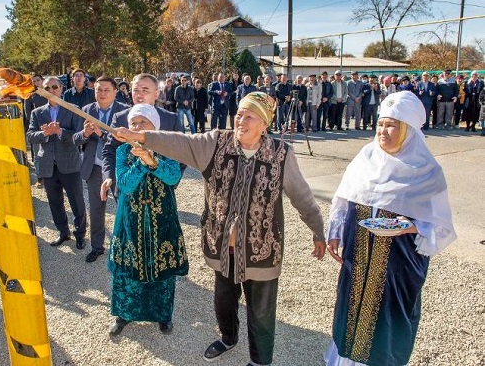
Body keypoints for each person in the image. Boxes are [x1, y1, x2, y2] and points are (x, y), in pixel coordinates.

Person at [113, 92, 325, 366]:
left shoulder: (281, 154)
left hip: (262, 250)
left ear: (264, 124)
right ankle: (228, 338)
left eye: (249, 116)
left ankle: (260, 361)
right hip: (222, 245)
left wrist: (318, 230)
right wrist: (142, 137)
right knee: (223, 302)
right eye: (239, 114)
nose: (241, 120)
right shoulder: (215, 142)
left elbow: (302, 197)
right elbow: (180, 142)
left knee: (261, 312)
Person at [325, 90, 457, 366]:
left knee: (387, 319)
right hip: (358, 258)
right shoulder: (366, 158)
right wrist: (335, 232)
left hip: (398, 264)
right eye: (381, 124)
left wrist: (412, 226)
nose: (383, 131)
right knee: (350, 310)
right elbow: (343, 198)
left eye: (392, 125)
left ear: (408, 130)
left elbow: (440, 225)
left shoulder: (427, 171)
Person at [107, 103, 188, 337]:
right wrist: (142, 163)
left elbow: (173, 178)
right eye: (133, 122)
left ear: (154, 127)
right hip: (129, 220)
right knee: (127, 269)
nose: (137, 126)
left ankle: (163, 315)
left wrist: (152, 160)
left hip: (162, 218)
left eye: (143, 122)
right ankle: (124, 314)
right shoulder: (122, 151)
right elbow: (124, 184)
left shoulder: (168, 148)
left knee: (162, 268)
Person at [101, 73, 183, 201]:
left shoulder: (170, 119)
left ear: (156, 94)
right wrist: (109, 176)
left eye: (145, 90)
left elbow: (182, 153)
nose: (139, 95)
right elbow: (109, 150)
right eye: (135, 90)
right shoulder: (120, 117)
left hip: (161, 192)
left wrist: (172, 183)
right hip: (128, 193)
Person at [27, 76, 87, 249]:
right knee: (55, 202)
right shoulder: (37, 112)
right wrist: (44, 134)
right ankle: (63, 232)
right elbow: (30, 136)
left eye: (54, 87)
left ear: (61, 88)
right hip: (47, 165)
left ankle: (80, 234)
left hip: (69, 163)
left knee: (76, 201)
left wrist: (60, 131)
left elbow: (79, 136)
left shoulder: (73, 109)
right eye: (47, 88)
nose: (51, 91)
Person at [72, 77, 128, 262]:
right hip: (95, 167)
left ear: (115, 91)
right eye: (98, 90)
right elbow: (76, 139)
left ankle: (126, 247)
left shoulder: (125, 111)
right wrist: (86, 134)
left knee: (124, 207)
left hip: (118, 167)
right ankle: (97, 247)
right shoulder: (87, 110)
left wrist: (101, 133)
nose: (102, 93)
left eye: (106, 90)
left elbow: (123, 140)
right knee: (96, 210)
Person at [25, 75, 49, 189]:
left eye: (38, 80)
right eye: (33, 81)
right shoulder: (29, 96)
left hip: (51, 128)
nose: (36, 83)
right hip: (37, 130)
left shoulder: (49, 93)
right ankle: (40, 178)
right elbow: (28, 114)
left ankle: (51, 176)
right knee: (38, 155)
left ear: (42, 81)